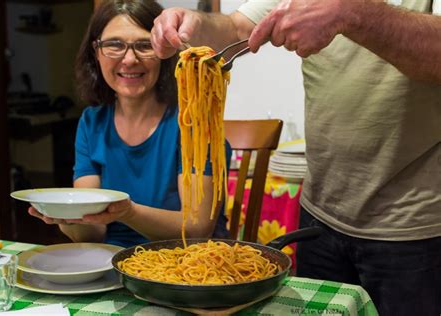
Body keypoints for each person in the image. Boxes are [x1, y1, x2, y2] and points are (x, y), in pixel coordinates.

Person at [151, 1, 441, 315]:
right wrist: (193, 22)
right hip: (320, 215)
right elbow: (236, 28)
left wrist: (350, 13)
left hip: (413, 228)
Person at [28, 0, 231, 248]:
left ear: (165, 52)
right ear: (96, 52)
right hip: (113, 261)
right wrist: (68, 218)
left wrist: (128, 212)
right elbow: (93, 233)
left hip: (190, 265)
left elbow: (197, 229)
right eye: (114, 45)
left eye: (145, 45)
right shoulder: (92, 123)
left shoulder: (193, 123)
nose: (130, 59)